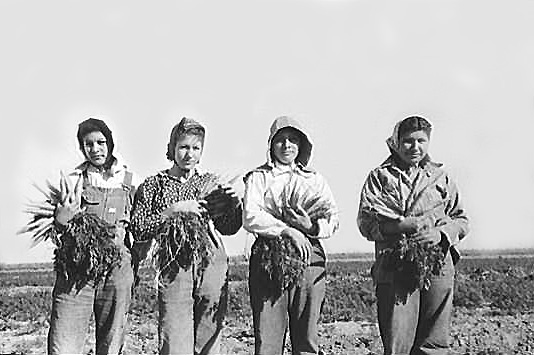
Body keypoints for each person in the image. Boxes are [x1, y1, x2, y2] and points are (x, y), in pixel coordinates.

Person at [130, 117, 242, 355]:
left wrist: (233, 204)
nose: (189, 154)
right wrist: (173, 211)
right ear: (171, 148)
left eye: (195, 148)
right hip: (174, 264)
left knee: (209, 333)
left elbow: (229, 227)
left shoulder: (210, 183)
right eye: (183, 147)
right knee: (174, 337)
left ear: (201, 152)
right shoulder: (153, 185)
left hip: (210, 261)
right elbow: (138, 228)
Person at [357, 116, 469, 355]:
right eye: (408, 141)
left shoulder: (441, 176)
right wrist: (398, 227)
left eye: (421, 140)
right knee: (398, 339)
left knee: (434, 341)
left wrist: (441, 234)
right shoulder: (379, 177)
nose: (415, 147)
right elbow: (366, 223)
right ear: (396, 142)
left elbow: (461, 220)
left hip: (438, 263)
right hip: (395, 262)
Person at [243, 116, 339, 355]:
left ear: (302, 145)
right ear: (270, 145)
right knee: (268, 336)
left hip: (309, 256)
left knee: (306, 334)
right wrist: (286, 230)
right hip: (269, 256)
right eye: (280, 140)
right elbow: (251, 215)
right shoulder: (259, 177)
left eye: (293, 140)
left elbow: (333, 218)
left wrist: (310, 227)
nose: (287, 145)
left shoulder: (314, 179)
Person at [47, 118, 139, 355]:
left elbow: (140, 229)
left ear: (111, 143)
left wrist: (132, 262)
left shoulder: (130, 179)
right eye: (88, 144)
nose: (95, 149)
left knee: (112, 340)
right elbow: (58, 231)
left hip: (116, 268)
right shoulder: (73, 180)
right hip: (77, 267)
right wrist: (61, 221)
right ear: (81, 148)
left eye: (101, 142)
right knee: (63, 342)